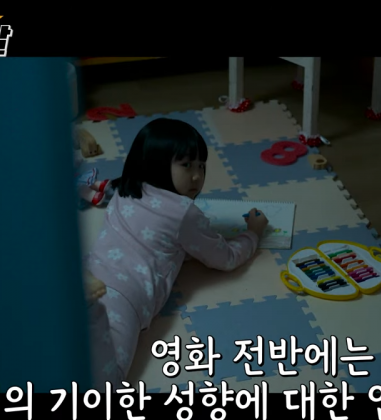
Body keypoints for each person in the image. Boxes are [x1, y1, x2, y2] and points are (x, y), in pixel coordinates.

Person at [84, 118, 268, 389]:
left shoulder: (125, 188)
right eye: (186, 165)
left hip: (90, 272)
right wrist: (253, 233)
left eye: (201, 166)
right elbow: (226, 258)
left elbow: (161, 239)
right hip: (125, 296)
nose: (197, 176)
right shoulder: (184, 213)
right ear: (157, 163)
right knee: (107, 381)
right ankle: (93, 314)